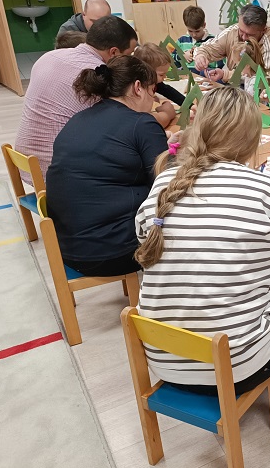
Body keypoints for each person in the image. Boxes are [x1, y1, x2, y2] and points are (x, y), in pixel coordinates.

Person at [134, 87, 270, 415]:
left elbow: (146, 238)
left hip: (163, 361)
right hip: (237, 367)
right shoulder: (265, 188)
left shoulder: (164, 183)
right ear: (252, 139)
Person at [45, 56, 169, 277]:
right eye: (152, 91)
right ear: (138, 88)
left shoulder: (79, 118)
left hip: (67, 249)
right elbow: (166, 185)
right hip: (113, 252)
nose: (153, 101)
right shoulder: (142, 123)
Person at [15, 15, 140, 182]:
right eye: (129, 54)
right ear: (114, 52)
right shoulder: (97, 75)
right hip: (58, 173)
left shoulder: (48, 56)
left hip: (25, 161)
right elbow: (128, 125)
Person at [193, 4, 270, 84]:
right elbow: (205, 48)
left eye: (250, 35)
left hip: (262, 91)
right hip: (236, 83)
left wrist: (226, 75)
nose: (244, 37)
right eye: (241, 31)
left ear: (263, 30)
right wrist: (200, 56)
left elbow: (263, 79)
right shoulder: (233, 31)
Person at [133, 42, 186, 112]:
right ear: (146, 72)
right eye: (161, 75)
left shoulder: (154, 82)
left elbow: (169, 92)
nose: (165, 77)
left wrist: (188, 105)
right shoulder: (136, 89)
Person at [176, 5, 222, 71]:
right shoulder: (181, 41)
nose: (194, 35)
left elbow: (220, 65)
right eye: (190, 31)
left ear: (204, 25)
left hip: (204, 76)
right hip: (186, 76)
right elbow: (171, 60)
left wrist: (204, 60)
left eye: (197, 31)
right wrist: (181, 56)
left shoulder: (213, 41)